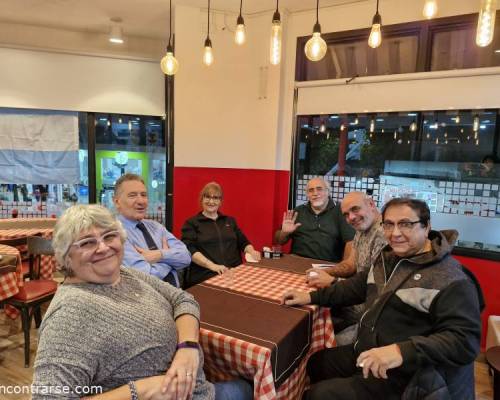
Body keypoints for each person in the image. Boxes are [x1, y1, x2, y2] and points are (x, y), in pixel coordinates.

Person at [32, 204, 253, 400]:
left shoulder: (125, 274)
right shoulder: (70, 315)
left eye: (109, 236)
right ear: (65, 256)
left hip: (201, 390)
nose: (103, 247)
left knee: (253, 383)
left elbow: (183, 298)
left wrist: (188, 347)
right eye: (87, 242)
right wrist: (139, 391)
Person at [281, 198, 482, 400]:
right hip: (367, 350)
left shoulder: (451, 278)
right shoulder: (389, 257)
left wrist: (400, 351)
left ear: (426, 226)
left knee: (317, 395)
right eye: (389, 224)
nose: (395, 233)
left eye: (405, 224)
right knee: (314, 364)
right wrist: (309, 296)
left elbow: (465, 341)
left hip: (408, 377)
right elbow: (356, 287)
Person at [305, 191, 386, 345]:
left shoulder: (383, 234)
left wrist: (334, 281)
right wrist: (324, 272)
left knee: (311, 331)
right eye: (346, 214)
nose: (351, 218)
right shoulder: (362, 229)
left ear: (371, 204)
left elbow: (375, 288)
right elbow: (350, 265)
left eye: (355, 209)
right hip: (352, 303)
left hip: (368, 315)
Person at [113, 173, 190, 287]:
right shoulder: (115, 234)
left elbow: (186, 257)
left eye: (143, 195)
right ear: (117, 202)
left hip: (177, 295)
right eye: (132, 195)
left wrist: (159, 255)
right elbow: (146, 276)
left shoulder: (156, 227)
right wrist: (169, 260)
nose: (141, 201)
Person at [181, 182, 261, 288]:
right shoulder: (191, 223)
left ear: (220, 201)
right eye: (207, 197)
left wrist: (252, 251)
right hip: (206, 274)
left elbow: (243, 242)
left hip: (234, 273)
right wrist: (213, 266)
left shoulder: (230, 221)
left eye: (215, 198)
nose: (211, 201)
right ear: (202, 199)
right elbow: (190, 251)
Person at [274, 177, 355, 262]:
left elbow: (351, 242)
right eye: (311, 190)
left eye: (319, 189)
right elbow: (278, 241)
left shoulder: (341, 211)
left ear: (328, 192)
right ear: (307, 194)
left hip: (327, 264)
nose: (315, 193)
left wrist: (345, 266)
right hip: (297, 260)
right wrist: (284, 233)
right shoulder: (298, 211)